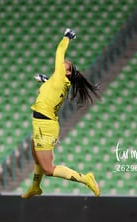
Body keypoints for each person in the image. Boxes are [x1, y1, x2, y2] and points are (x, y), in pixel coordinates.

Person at [21, 28, 101, 199]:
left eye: (68, 65)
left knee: (48, 169)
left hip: (45, 125)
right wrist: (45, 80)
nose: (65, 62)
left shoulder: (59, 77)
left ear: (68, 73)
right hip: (46, 124)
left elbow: (59, 50)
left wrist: (67, 37)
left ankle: (85, 178)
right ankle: (35, 187)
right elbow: (51, 87)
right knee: (36, 153)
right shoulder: (59, 81)